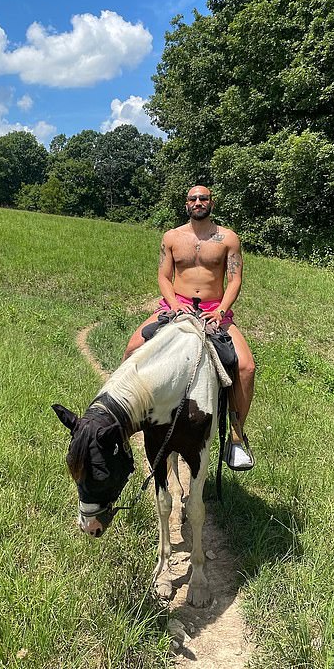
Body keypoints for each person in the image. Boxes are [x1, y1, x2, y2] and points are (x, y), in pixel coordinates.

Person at [123, 185, 255, 470]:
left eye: (203, 198)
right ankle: (124, 421)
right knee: (132, 347)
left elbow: (234, 280)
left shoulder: (228, 238)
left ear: (211, 202)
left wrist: (221, 311)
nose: (198, 202)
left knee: (246, 367)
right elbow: (163, 275)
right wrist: (172, 304)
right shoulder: (172, 237)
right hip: (177, 304)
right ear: (186, 204)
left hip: (213, 310)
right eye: (193, 199)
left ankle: (235, 437)